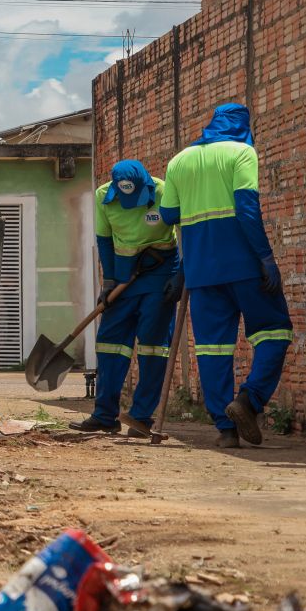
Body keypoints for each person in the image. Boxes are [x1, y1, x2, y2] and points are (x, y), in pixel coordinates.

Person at [160, 103, 292, 448]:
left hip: (201, 273)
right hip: (244, 266)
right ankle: (249, 400)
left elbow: (169, 214)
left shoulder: (179, 161)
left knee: (212, 349)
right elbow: (247, 209)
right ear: (243, 126)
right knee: (275, 332)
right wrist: (266, 257)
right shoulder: (241, 153)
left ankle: (226, 430)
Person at [70, 160, 180, 437]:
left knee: (153, 346)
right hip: (123, 278)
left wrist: (181, 275)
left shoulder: (164, 191)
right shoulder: (103, 196)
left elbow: (186, 231)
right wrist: (108, 280)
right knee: (109, 344)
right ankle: (104, 415)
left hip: (160, 275)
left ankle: (141, 416)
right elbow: (105, 240)